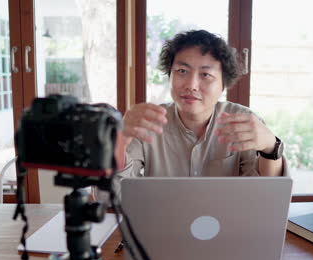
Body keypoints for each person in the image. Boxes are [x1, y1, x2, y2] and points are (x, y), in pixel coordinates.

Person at [116, 29, 288, 179]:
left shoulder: (243, 121)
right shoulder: (147, 122)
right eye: (182, 71)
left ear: (223, 84)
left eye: (205, 74)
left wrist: (271, 148)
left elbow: (262, 196)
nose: (191, 85)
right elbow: (109, 198)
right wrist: (120, 139)